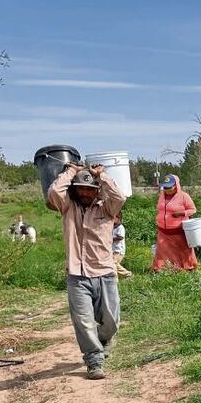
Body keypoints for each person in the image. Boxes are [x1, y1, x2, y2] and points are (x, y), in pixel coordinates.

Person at [46, 163, 125, 380]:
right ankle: (94, 360)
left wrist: (102, 175)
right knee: (83, 321)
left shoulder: (107, 209)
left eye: (90, 189)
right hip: (77, 275)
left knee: (111, 322)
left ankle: (102, 339)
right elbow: (54, 191)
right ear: (75, 189)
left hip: (105, 273)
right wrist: (70, 171)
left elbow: (119, 196)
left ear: (97, 190)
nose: (85, 192)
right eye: (81, 188)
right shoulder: (67, 207)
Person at [152, 174, 198, 272]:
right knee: (162, 251)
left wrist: (182, 213)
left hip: (178, 230)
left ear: (176, 185)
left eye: (170, 187)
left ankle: (187, 267)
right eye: (165, 187)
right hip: (163, 231)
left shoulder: (184, 196)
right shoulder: (162, 196)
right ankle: (162, 269)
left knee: (182, 251)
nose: (167, 190)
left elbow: (193, 210)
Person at [112, 213, 132, 278]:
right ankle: (116, 277)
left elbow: (120, 237)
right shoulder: (112, 227)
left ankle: (127, 274)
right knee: (112, 264)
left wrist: (110, 239)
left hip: (118, 250)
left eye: (114, 218)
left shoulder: (120, 227)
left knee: (113, 263)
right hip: (112, 250)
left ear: (118, 218)